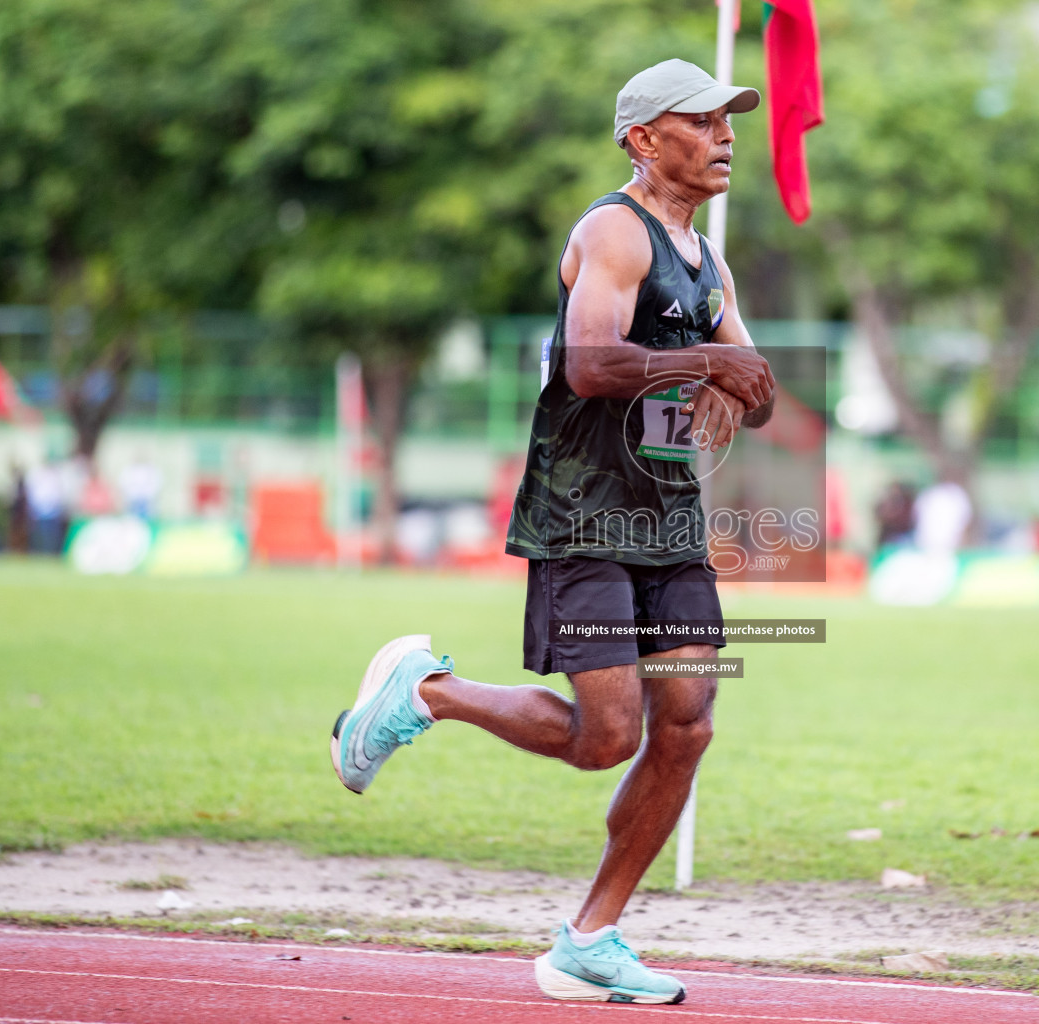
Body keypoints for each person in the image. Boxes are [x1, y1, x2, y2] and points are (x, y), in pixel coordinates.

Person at [329, 59, 776, 1005]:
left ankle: (591, 938)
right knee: (607, 738)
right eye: (702, 122)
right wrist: (705, 363)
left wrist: (748, 380)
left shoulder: (709, 259)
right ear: (644, 140)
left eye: (729, 121)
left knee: (688, 725)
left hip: (670, 515)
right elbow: (588, 361)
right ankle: (429, 691)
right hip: (585, 513)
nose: (728, 136)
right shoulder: (612, 230)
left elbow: (747, 378)